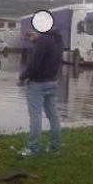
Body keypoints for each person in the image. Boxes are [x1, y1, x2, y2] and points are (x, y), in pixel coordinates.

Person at [16, 28, 63, 156]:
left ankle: (33, 148)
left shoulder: (43, 40)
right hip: (52, 82)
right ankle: (54, 146)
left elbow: (34, 63)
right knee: (53, 115)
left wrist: (22, 77)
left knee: (35, 116)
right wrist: (36, 41)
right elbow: (48, 53)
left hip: (37, 84)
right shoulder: (58, 39)